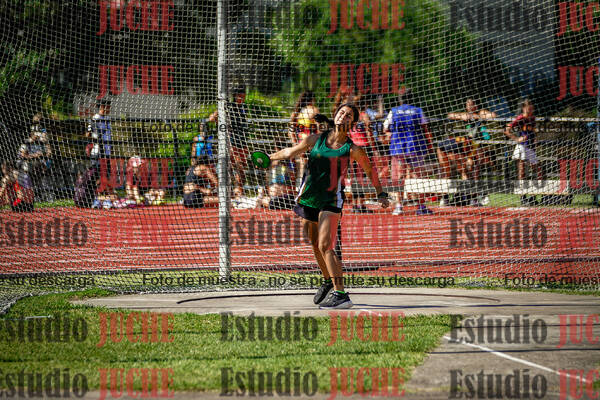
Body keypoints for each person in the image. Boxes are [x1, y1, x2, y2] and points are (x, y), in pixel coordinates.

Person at [268, 104, 390, 309]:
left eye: (349, 115)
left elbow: (370, 170)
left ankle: (341, 294)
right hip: (308, 198)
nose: (344, 116)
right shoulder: (315, 139)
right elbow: (290, 152)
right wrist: (269, 157)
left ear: (353, 123)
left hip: (331, 201)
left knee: (326, 245)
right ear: (335, 115)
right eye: (342, 112)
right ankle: (327, 280)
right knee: (315, 244)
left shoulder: (352, 149)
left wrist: (381, 193)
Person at [382, 89, 434, 215]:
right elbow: (425, 129)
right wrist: (430, 145)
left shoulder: (394, 111)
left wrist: (391, 135)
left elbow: (385, 128)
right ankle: (421, 206)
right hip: (416, 146)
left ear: (400, 100)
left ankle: (399, 206)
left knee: (399, 176)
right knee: (418, 176)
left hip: (398, 147)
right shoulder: (418, 111)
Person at [443, 98, 497, 206]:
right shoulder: (465, 115)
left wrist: (476, 116)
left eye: (472, 105)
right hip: (468, 148)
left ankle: (477, 196)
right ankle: (464, 196)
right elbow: (450, 115)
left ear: (476, 106)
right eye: (468, 105)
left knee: (474, 167)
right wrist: (464, 116)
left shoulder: (481, 112)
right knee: (464, 168)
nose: (470, 107)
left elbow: (493, 115)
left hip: (481, 147)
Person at [208, 85, 249, 198]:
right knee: (233, 166)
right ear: (236, 96)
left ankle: (238, 192)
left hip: (242, 141)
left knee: (241, 168)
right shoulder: (229, 106)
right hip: (231, 141)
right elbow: (212, 118)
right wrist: (223, 125)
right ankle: (231, 192)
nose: (242, 98)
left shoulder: (244, 107)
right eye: (241, 96)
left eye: (244, 96)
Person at [505, 99, 543, 206]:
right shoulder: (520, 118)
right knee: (522, 172)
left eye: (531, 108)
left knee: (537, 170)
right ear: (523, 108)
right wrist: (517, 139)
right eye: (528, 108)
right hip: (522, 146)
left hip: (531, 148)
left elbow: (533, 132)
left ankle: (533, 196)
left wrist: (535, 139)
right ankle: (523, 197)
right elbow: (507, 129)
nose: (530, 110)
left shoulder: (533, 119)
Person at [348, 96, 379, 213]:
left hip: (352, 147)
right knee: (361, 177)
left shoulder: (350, 117)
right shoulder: (364, 115)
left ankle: (355, 205)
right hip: (363, 147)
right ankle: (360, 204)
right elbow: (369, 131)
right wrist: (374, 147)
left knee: (354, 176)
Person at [18, 113, 52, 202]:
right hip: (28, 162)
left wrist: (42, 155)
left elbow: (49, 153)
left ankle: (44, 194)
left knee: (43, 165)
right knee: (29, 167)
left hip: (40, 162)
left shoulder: (43, 140)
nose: (38, 134)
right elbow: (23, 156)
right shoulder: (27, 142)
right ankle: (33, 194)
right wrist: (35, 155)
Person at [288, 92, 320, 187]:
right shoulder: (314, 110)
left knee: (302, 166)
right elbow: (320, 128)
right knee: (314, 166)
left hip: (300, 142)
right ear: (312, 100)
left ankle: (300, 187)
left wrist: (295, 144)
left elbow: (290, 131)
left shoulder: (296, 112)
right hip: (311, 141)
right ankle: (310, 187)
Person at [87, 99, 113, 192]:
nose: (109, 109)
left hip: (107, 151)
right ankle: (94, 192)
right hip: (98, 150)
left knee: (106, 173)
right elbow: (88, 134)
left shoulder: (108, 118)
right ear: (102, 107)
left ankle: (103, 192)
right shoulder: (95, 118)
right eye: (108, 107)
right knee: (96, 173)